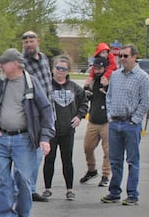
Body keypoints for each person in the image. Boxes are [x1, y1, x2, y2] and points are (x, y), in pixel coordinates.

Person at [0, 48, 54, 217]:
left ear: (16, 64)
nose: (1, 65)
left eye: (4, 62)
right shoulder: (1, 84)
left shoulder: (31, 83)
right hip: (2, 139)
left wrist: (45, 137)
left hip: (24, 139)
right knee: (2, 180)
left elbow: (46, 109)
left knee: (23, 179)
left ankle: (23, 216)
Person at [101, 44, 149, 205]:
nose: (122, 59)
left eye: (125, 56)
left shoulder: (142, 77)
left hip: (131, 124)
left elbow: (145, 102)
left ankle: (132, 194)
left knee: (132, 160)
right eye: (120, 56)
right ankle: (114, 192)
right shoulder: (115, 75)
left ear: (134, 57)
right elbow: (108, 97)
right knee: (115, 160)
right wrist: (109, 116)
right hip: (115, 123)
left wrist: (135, 119)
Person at [41, 56, 88, 201]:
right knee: (49, 159)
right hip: (51, 130)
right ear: (53, 68)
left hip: (68, 130)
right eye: (58, 68)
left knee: (67, 160)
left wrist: (79, 116)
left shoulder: (74, 87)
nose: (60, 71)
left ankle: (70, 189)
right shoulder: (47, 86)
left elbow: (84, 103)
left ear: (68, 71)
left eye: (64, 69)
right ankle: (47, 188)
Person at [21, 30, 52, 203]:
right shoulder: (22, 63)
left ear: (37, 41)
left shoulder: (45, 59)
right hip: (32, 114)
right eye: (25, 42)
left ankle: (30, 188)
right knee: (33, 154)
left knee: (39, 154)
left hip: (47, 112)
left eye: (31, 40)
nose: (28, 44)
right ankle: (28, 189)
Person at [80, 56, 111, 187]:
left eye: (99, 68)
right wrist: (86, 87)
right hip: (93, 120)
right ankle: (92, 170)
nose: (97, 71)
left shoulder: (109, 81)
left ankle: (105, 175)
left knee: (107, 151)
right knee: (87, 147)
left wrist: (107, 86)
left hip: (106, 121)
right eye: (95, 68)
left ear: (105, 68)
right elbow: (84, 97)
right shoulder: (92, 81)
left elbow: (114, 96)